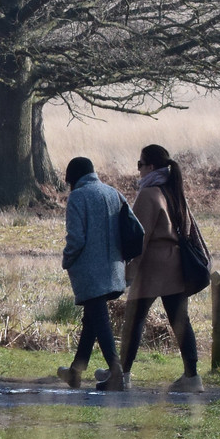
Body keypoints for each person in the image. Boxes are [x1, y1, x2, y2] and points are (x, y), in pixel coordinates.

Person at [117, 143, 204, 392]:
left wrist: (129, 270)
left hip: (152, 267)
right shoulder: (175, 193)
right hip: (176, 266)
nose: (138, 171)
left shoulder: (148, 194)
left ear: (151, 167)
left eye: (139, 165)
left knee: (134, 320)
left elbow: (138, 237)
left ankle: (123, 374)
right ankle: (192, 376)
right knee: (180, 321)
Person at [56, 156, 128, 390]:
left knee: (100, 320)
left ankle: (116, 372)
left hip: (91, 272)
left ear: (73, 179)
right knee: (92, 320)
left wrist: (67, 260)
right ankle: (75, 371)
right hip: (115, 268)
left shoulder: (78, 196)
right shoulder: (113, 193)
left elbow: (76, 238)